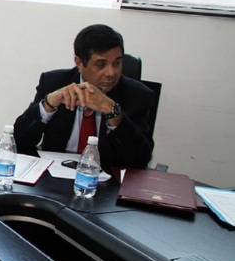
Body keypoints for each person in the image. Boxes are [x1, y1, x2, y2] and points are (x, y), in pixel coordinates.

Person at [13, 24, 154, 171]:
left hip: (106, 182)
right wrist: (48, 105)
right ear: (79, 63)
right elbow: (18, 141)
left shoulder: (138, 95)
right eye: (101, 65)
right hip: (53, 179)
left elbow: (141, 159)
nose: (111, 73)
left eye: (117, 63)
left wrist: (113, 111)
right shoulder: (53, 82)